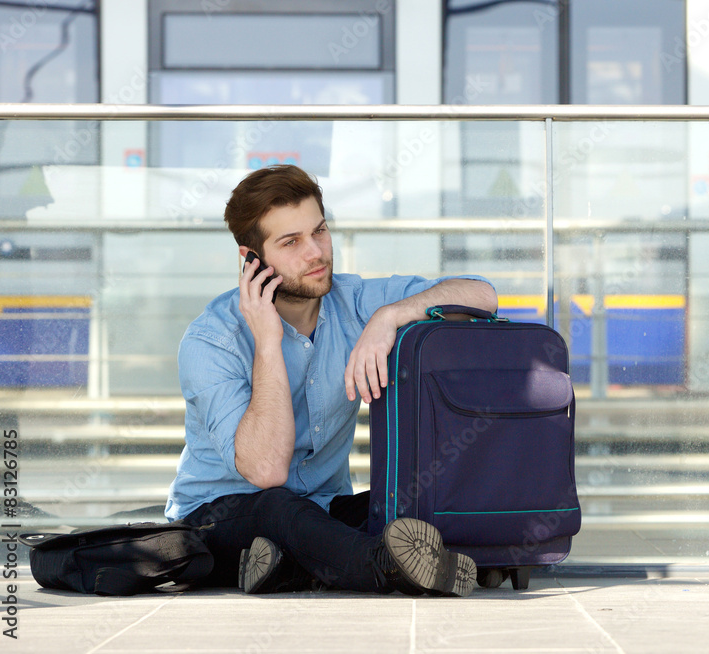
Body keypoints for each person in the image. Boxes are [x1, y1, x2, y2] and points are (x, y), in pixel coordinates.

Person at [164, 165, 497, 596]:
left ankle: (293, 568)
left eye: (319, 231)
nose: (316, 252)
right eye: (292, 242)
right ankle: (383, 567)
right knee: (278, 508)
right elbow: (266, 471)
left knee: (414, 495)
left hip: (322, 512)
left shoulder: (354, 302)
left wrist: (389, 316)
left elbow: (481, 294)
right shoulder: (212, 340)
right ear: (251, 259)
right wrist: (268, 341)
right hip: (216, 521)